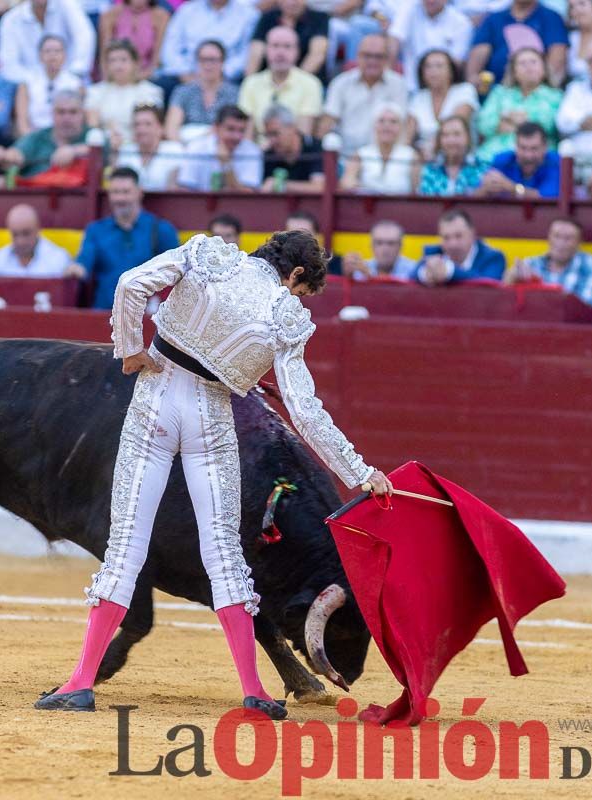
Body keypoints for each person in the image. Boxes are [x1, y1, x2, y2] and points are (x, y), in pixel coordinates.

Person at [34, 229, 391, 718]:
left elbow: (129, 285)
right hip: (211, 417)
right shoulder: (285, 315)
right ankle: (254, 691)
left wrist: (129, 349)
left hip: (155, 401)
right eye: (302, 291)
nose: (297, 298)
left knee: (125, 548)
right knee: (224, 555)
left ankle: (80, 683)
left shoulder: (207, 254)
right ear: (297, 274)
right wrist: (361, 471)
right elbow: (305, 412)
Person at [75, 167, 181, 308]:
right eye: (115, 192)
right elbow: (83, 264)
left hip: (147, 316)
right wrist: (73, 268)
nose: (120, 198)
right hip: (105, 314)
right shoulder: (96, 230)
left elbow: (177, 273)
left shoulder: (162, 229)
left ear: (139, 193)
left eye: (126, 192)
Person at [474, 47, 561, 162]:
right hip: (492, 157)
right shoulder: (500, 93)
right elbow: (483, 124)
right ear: (514, 71)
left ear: (544, 69)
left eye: (533, 62)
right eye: (522, 63)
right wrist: (522, 120)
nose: (528, 67)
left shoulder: (556, 96)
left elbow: (549, 125)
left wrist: (506, 119)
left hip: (537, 160)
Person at [237, 27, 323, 141]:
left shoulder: (310, 84)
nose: (280, 53)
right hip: (257, 153)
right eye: (275, 46)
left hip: (294, 154)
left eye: (287, 46)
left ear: (297, 51)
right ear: (266, 50)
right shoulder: (251, 83)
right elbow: (246, 133)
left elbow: (303, 133)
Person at [466, 0, 569, 88]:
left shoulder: (551, 18)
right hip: (494, 91)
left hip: (536, 91)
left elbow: (557, 61)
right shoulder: (493, 19)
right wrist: (475, 81)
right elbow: (476, 63)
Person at [503, 218, 592, 307]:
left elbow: (586, 307)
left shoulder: (590, 265)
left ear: (579, 243)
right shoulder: (530, 263)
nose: (561, 243)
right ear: (548, 238)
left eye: (568, 238)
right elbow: (505, 303)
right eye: (556, 236)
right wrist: (510, 280)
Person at [158, 0, 259, 88]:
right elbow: (170, 49)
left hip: (228, 78)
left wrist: (219, 73)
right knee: (158, 86)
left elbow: (246, 53)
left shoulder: (249, 13)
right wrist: (185, 74)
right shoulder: (187, 10)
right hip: (186, 75)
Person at [85, 40, 165, 146]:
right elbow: (93, 124)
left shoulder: (151, 91)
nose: (118, 65)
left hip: (138, 145)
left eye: (123, 60)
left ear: (135, 63)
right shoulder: (95, 91)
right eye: (112, 61)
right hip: (106, 144)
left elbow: (150, 125)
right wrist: (109, 140)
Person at [0, 0, 95, 84]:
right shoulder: (10, 20)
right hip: (29, 89)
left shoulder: (68, 5)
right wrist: (39, 83)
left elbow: (85, 39)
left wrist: (70, 76)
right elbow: (9, 66)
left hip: (71, 81)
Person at [407, 49, 480, 160]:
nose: (433, 71)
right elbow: (407, 134)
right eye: (428, 67)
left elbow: (455, 125)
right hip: (423, 158)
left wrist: (431, 150)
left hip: (460, 158)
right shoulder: (418, 98)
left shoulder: (465, 90)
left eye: (439, 66)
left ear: (451, 71)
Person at [164, 40, 241, 143]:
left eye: (213, 60)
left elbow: (233, 127)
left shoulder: (234, 93)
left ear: (222, 62)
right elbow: (171, 129)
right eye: (203, 60)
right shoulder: (182, 91)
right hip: (185, 149)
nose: (208, 65)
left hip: (221, 148)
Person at [177, 104, 264, 191]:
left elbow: (247, 197)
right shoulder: (196, 148)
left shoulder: (252, 151)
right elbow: (185, 189)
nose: (237, 136)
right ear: (216, 128)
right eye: (231, 129)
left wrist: (226, 165)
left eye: (241, 130)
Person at [14, 34, 85, 138]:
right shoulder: (27, 83)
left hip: (65, 137)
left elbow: (79, 119)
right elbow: (21, 120)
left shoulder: (76, 84)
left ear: (65, 55)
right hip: (34, 136)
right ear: (40, 55)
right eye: (47, 51)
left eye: (57, 51)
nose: (52, 56)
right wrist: (29, 139)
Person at [390, 0, 474, 88]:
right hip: (411, 87)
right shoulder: (409, 9)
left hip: (445, 90)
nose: (431, 1)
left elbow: (456, 63)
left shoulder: (461, 23)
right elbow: (394, 40)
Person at [340, 102, 420, 194]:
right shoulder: (361, 154)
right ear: (374, 125)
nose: (386, 126)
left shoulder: (411, 156)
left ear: (401, 127)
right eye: (381, 121)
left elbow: (417, 191)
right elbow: (347, 183)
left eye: (393, 122)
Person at [0, 204, 82, 277]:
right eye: (15, 234)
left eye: (26, 233)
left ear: (38, 229)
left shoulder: (59, 260)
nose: (20, 241)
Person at [413, 209, 507, 285]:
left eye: (458, 236)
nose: (453, 244)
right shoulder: (433, 253)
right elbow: (410, 277)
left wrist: (449, 271)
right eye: (446, 238)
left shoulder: (493, 257)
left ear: (472, 234)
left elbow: (488, 285)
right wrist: (425, 274)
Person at [12, 90, 92, 179]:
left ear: (83, 114)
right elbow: (16, 154)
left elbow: (102, 148)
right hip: (38, 190)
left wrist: (74, 151)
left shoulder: (93, 135)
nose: (66, 118)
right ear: (52, 114)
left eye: (73, 112)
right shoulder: (37, 137)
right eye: (61, 112)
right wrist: (5, 156)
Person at [246, 0, 330, 80]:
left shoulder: (319, 18)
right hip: (268, 82)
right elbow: (255, 54)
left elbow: (317, 55)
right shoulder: (268, 17)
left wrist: (292, 83)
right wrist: (249, 83)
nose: (291, 2)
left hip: (308, 82)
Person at [477, 121, 561, 199]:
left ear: (545, 147)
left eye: (534, 148)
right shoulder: (502, 160)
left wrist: (513, 188)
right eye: (523, 148)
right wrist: (485, 189)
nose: (528, 155)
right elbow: (476, 196)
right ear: (516, 146)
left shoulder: (556, 163)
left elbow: (548, 199)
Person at [116, 104, 184, 190]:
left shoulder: (174, 150)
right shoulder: (125, 150)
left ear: (161, 128)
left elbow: (175, 188)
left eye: (148, 124)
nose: (141, 129)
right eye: (137, 124)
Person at [418, 115, 489, 196]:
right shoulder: (430, 170)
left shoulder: (482, 168)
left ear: (468, 137)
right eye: (445, 135)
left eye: (457, 134)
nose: (451, 141)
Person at [260, 105, 325, 193]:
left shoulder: (315, 148)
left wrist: (282, 185)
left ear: (292, 128)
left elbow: (320, 188)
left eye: (275, 134)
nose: (271, 141)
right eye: (268, 135)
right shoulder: (269, 154)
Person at [99, 0, 171, 77]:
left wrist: (139, 77)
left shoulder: (161, 16)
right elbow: (105, 53)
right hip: (116, 74)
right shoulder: (110, 14)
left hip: (148, 76)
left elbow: (158, 58)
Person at [342, 220, 418, 280]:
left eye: (391, 243)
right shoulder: (360, 269)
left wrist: (370, 276)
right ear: (371, 246)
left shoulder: (414, 269)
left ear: (401, 246)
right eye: (379, 243)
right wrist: (349, 277)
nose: (385, 249)